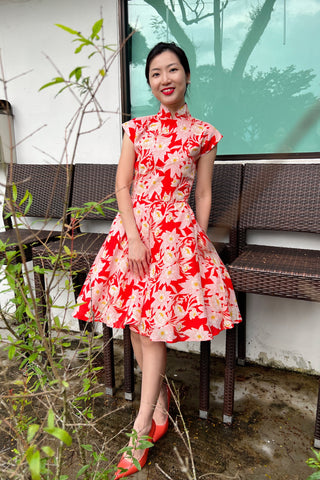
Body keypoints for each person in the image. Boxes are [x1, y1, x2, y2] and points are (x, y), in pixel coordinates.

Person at [73, 41, 242, 478]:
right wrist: (132, 236)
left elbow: (202, 193)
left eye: (172, 70)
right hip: (133, 235)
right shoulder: (136, 129)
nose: (165, 79)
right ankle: (161, 409)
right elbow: (123, 186)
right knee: (132, 323)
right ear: (149, 82)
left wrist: (197, 242)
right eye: (155, 73)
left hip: (175, 237)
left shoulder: (204, 133)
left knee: (151, 333)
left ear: (187, 75)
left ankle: (142, 427)